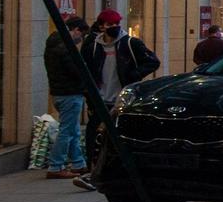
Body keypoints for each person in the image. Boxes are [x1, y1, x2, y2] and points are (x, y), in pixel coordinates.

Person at [74, 10, 159, 192]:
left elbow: (153, 61)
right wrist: (88, 92)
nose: (114, 28)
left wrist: (134, 75)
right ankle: (92, 171)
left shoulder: (130, 43)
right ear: (102, 26)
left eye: (116, 24)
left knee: (119, 136)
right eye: (110, 25)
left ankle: (120, 171)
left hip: (122, 98)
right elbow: (84, 68)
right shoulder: (93, 47)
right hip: (100, 98)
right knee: (94, 134)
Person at [43, 13, 90, 179]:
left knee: (73, 130)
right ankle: (56, 166)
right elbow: (76, 71)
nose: (81, 39)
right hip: (69, 93)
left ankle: (78, 163)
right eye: (81, 35)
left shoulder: (54, 44)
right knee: (67, 131)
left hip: (59, 92)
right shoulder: (65, 49)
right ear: (76, 30)